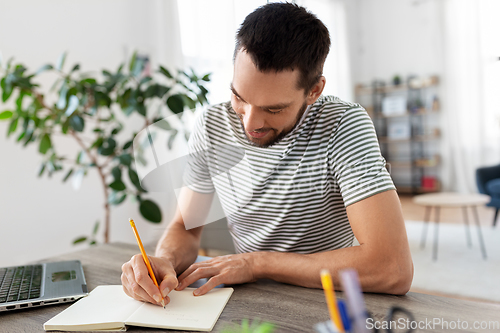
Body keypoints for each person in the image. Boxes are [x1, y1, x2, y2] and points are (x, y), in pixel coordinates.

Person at [121, 2, 413, 306]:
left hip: (325, 299)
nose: (250, 123)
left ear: (314, 91)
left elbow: (392, 268)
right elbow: (185, 227)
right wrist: (164, 259)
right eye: (239, 97)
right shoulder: (211, 125)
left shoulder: (343, 125)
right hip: (246, 299)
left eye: (274, 109)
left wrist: (254, 264)